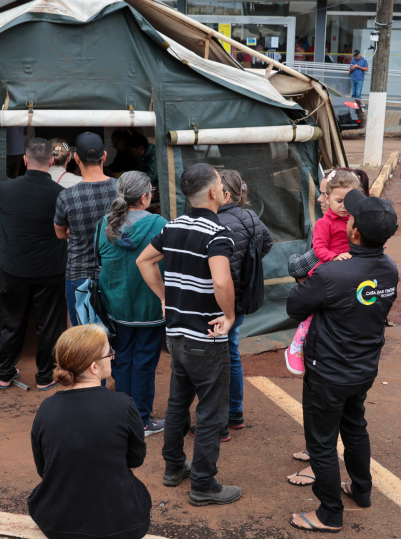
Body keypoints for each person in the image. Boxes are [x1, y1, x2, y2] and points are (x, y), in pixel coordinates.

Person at [286, 190, 399, 532]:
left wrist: (310, 276)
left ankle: (329, 514)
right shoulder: (389, 269)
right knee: (354, 426)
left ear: (355, 232)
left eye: (351, 218)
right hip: (363, 367)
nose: (346, 219)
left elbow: (295, 306)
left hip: (328, 371)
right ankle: (361, 491)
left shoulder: (334, 274)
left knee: (321, 442)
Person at [137, 163, 242, 507]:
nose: (223, 190)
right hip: (206, 337)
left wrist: (165, 298)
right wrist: (229, 316)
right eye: (220, 184)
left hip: (176, 335)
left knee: (178, 403)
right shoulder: (218, 233)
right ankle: (203, 484)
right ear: (213, 192)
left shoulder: (173, 226)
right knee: (211, 412)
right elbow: (221, 281)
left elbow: (144, 261)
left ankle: (173, 468)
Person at [28, 324, 151, 539]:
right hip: (121, 525)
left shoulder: (46, 408)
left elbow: (43, 469)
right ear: (94, 367)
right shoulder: (123, 405)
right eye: (109, 353)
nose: (112, 357)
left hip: (56, 523)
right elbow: (136, 459)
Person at [98, 171, 168, 436]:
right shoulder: (160, 224)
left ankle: (122, 416)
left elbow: (99, 259)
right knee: (145, 362)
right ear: (145, 196)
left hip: (115, 307)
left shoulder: (104, 224)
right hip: (151, 306)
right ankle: (141, 420)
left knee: (121, 360)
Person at [0, 138, 67, 391]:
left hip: (13, 268)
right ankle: (45, 377)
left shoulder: (6, 189)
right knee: (48, 325)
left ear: (25, 160)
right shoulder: (60, 194)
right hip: (49, 270)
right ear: (51, 161)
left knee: (11, 322)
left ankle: (4, 374)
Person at [285, 170, 361, 375]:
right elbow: (319, 249)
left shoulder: (356, 219)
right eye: (339, 201)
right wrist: (334, 257)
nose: (344, 206)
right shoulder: (324, 223)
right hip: (329, 271)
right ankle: (295, 346)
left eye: (348, 201)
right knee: (312, 314)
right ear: (327, 199)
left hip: (350, 273)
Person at [216, 170, 274, 436]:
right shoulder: (250, 216)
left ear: (226, 194)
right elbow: (267, 243)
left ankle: (218, 418)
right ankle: (235, 412)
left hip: (217, 299)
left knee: (214, 358)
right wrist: (246, 267)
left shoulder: (214, 222)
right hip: (241, 296)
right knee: (232, 352)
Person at [54, 132, 118, 326]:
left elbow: (60, 233)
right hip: (114, 272)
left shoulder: (67, 196)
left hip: (78, 275)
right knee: (115, 332)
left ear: (76, 158)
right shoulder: (120, 190)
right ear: (104, 156)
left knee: (83, 336)